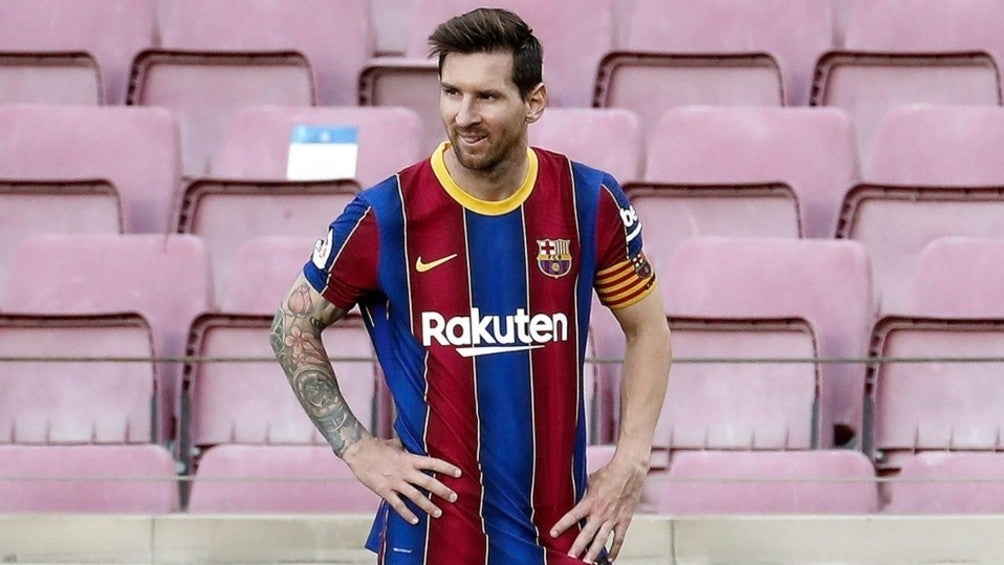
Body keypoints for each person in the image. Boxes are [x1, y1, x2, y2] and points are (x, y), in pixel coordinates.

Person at [270, 7, 671, 563]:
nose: (463, 116)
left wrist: (630, 461)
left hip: (563, 533)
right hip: (432, 538)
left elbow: (648, 329)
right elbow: (291, 324)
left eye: (486, 97)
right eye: (451, 93)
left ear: (534, 101)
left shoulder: (589, 201)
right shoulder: (387, 214)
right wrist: (356, 448)